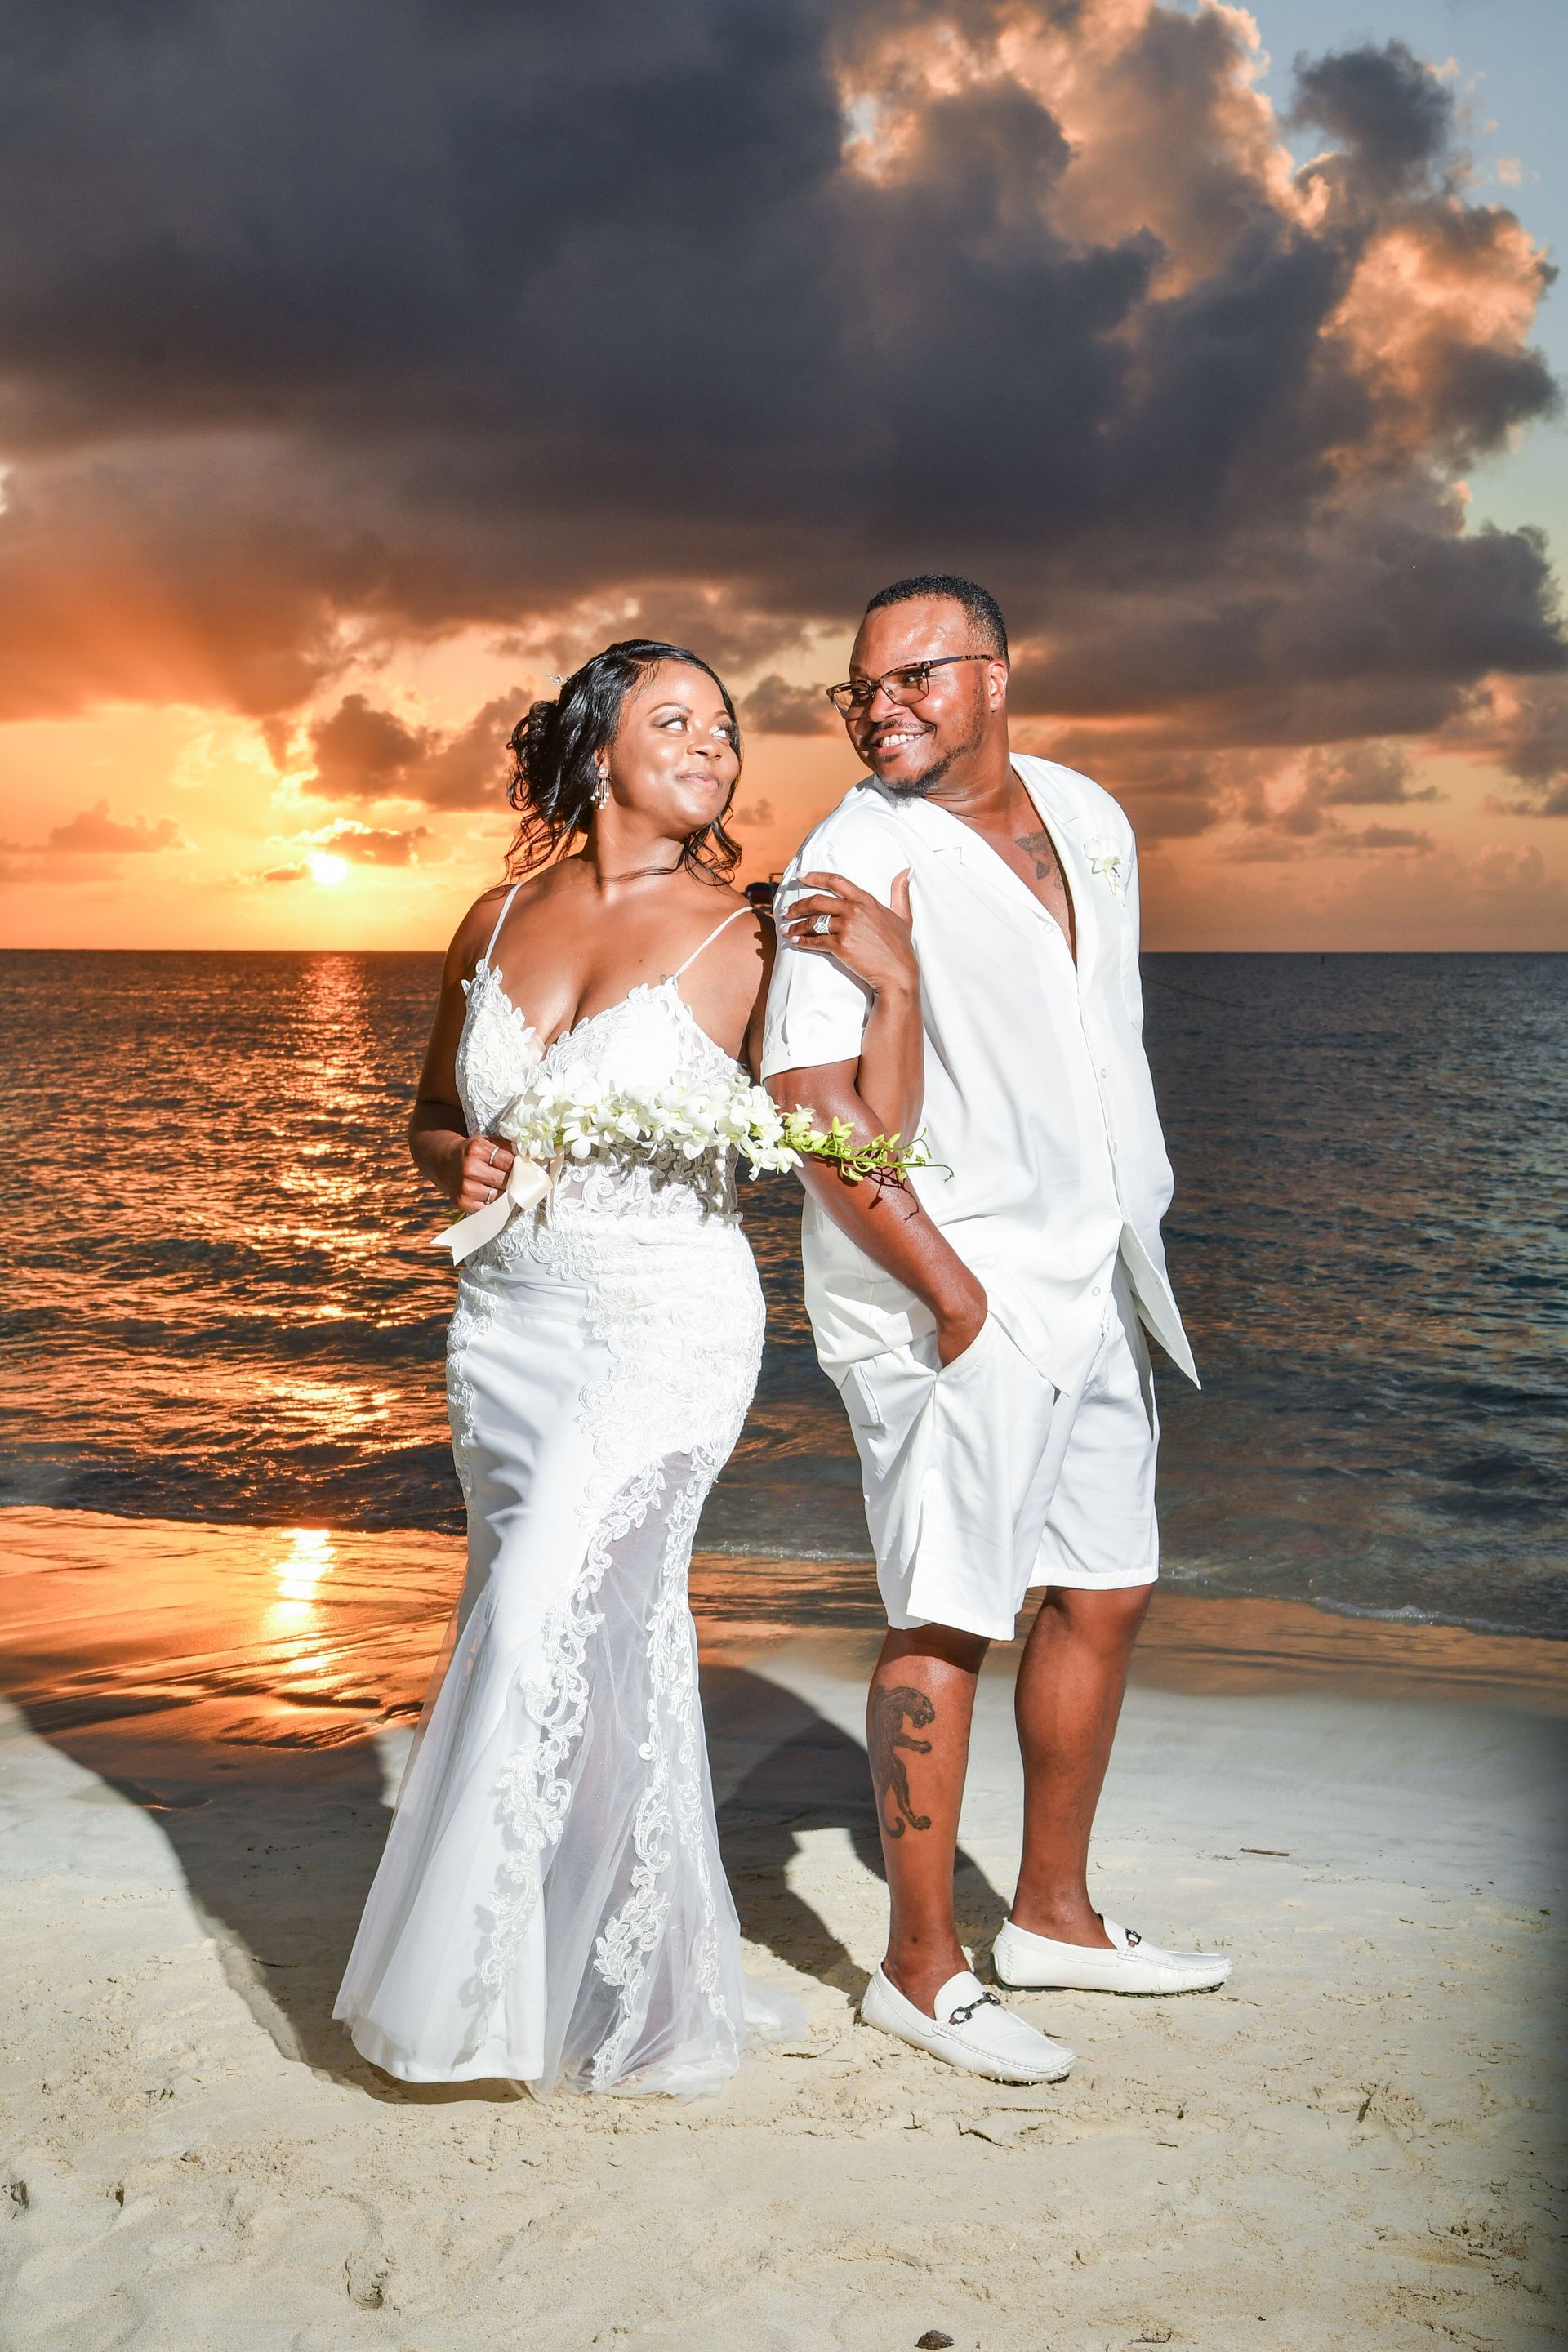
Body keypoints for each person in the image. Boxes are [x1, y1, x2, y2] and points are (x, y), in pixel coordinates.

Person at [336, 639, 920, 2097]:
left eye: (725, 729)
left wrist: (895, 995)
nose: (714, 745)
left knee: (546, 1617)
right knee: (580, 1648)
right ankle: (629, 1984)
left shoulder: (755, 937)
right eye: (676, 719)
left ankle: (499, 1993)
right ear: (600, 749)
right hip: (505, 1333)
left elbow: (865, 1146)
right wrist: (450, 1156)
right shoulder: (496, 913)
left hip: (663, 1328)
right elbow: (424, 1115)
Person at [763, 575, 1229, 2088]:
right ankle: (917, 1967)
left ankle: (1053, 1918)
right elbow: (814, 1107)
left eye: (914, 677)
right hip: (951, 1289)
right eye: (861, 687)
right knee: (948, 1609)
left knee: (1103, 1589)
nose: (881, 705)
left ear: (1000, 676)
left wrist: (1126, 1217)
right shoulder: (851, 854)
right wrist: (953, 1293)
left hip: (1096, 1269)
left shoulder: (1089, 813)